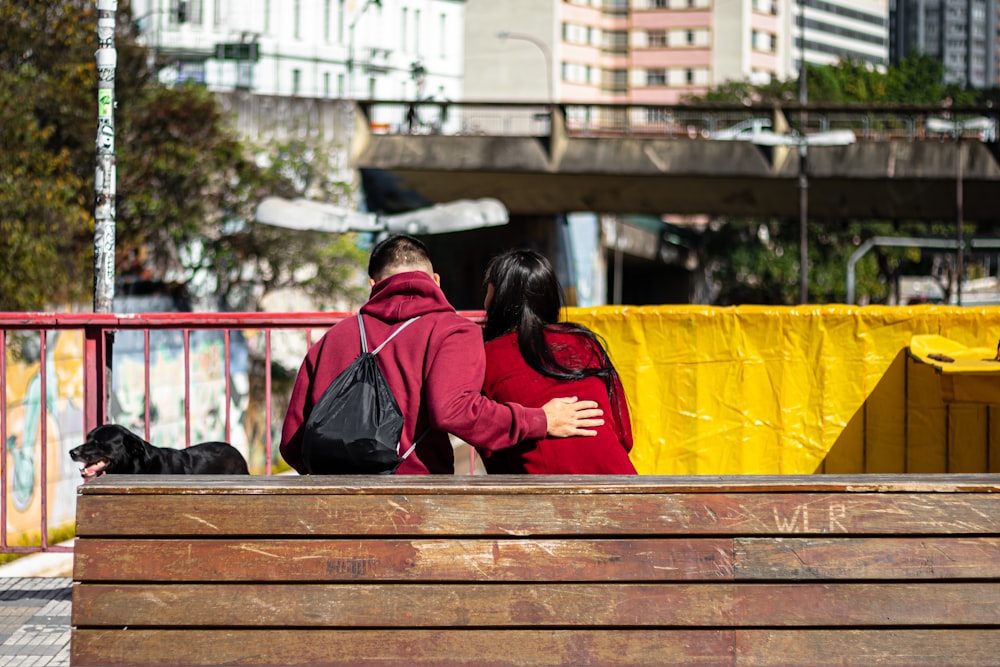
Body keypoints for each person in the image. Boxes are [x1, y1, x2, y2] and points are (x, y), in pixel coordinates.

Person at [280, 234, 604, 475]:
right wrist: (539, 420)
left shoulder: (330, 340)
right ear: (435, 281)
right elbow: (454, 412)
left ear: (373, 284)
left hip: (332, 504)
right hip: (417, 499)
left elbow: (293, 442)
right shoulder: (453, 331)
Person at [477, 249, 636, 474]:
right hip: (623, 484)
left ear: (497, 297)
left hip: (547, 496)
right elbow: (624, 436)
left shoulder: (487, 357)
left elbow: (491, 449)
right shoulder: (584, 341)